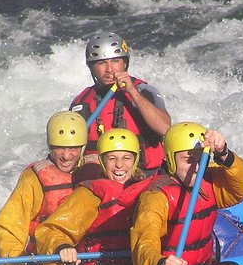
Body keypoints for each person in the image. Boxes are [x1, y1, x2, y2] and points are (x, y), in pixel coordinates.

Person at [128, 122, 243, 265]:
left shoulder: (208, 184)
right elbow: (144, 242)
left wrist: (223, 153)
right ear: (170, 160)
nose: (196, 167)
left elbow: (242, 186)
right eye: (188, 160)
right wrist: (161, 264)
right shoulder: (155, 197)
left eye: (199, 159)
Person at [34, 128, 156, 265]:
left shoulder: (149, 191)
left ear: (135, 160)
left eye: (126, 158)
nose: (119, 165)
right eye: (112, 158)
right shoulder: (89, 194)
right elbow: (51, 230)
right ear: (102, 161)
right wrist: (63, 246)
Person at [0, 111, 88, 265]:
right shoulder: (33, 179)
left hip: (87, 261)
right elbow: (8, 228)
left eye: (72, 148)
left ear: (83, 147)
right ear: (50, 146)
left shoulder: (96, 173)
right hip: (45, 263)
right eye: (59, 148)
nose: (66, 155)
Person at [69, 31, 171, 180]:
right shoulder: (81, 103)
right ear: (92, 68)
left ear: (125, 63)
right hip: (102, 180)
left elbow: (165, 128)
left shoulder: (143, 92)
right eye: (101, 62)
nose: (110, 69)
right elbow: (67, 151)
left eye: (115, 61)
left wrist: (132, 92)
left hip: (146, 177)